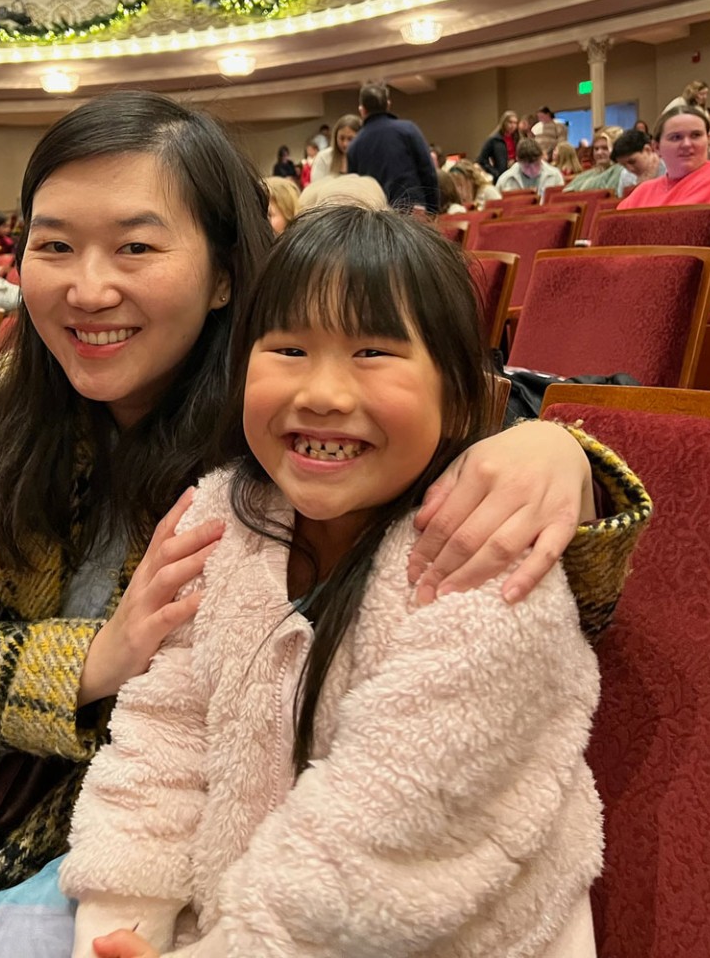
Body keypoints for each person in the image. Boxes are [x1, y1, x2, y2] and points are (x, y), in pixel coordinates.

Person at [0, 95, 647, 958]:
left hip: (113, 829)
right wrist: (98, 657)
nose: (89, 287)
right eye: (54, 245)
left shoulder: (279, 417)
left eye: (137, 246)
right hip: (14, 778)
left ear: (226, 270)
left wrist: (557, 447)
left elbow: (471, 440)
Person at [59, 206, 607, 958]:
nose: (321, 392)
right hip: (241, 918)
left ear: (457, 388)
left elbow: (390, 824)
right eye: (287, 347)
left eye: (373, 352)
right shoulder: (224, 515)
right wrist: (124, 912)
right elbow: (166, 731)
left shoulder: (481, 557)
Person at [346, 82, 440, 212]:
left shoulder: (354, 146)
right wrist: (433, 209)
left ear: (362, 110)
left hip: (377, 216)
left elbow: (356, 190)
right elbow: (427, 171)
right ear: (388, 105)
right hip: (412, 209)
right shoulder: (408, 130)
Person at [620, 104, 710, 208]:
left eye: (696, 135)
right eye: (676, 137)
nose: (687, 144)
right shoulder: (641, 195)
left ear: (708, 140)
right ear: (656, 147)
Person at [496, 137, 565, 199]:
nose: (533, 170)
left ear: (541, 157)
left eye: (537, 164)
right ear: (518, 160)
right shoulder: (505, 180)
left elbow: (560, 203)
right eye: (527, 166)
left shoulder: (555, 175)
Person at [611, 127, 667, 196]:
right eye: (624, 165)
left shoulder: (669, 167)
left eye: (632, 162)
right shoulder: (625, 175)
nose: (630, 169)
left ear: (647, 150)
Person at [566, 128, 625, 193]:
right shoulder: (588, 174)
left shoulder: (622, 170)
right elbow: (567, 191)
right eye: (596, 149)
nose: (599, 153)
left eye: (605, 148)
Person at [310, 113, 360, 181]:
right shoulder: (323, 157)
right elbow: (316, 186)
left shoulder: (367, 158)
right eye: (341, 138)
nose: (345, 144)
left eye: (350, 139)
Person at [477, 111, 519, 178]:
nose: (513, 126)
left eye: (515, 123)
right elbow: (481, 160)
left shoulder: (517, 139)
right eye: (510, 122)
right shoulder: (494, 139)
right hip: (501, 175)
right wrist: (495, 173)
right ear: (504, 123)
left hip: (515, 173)